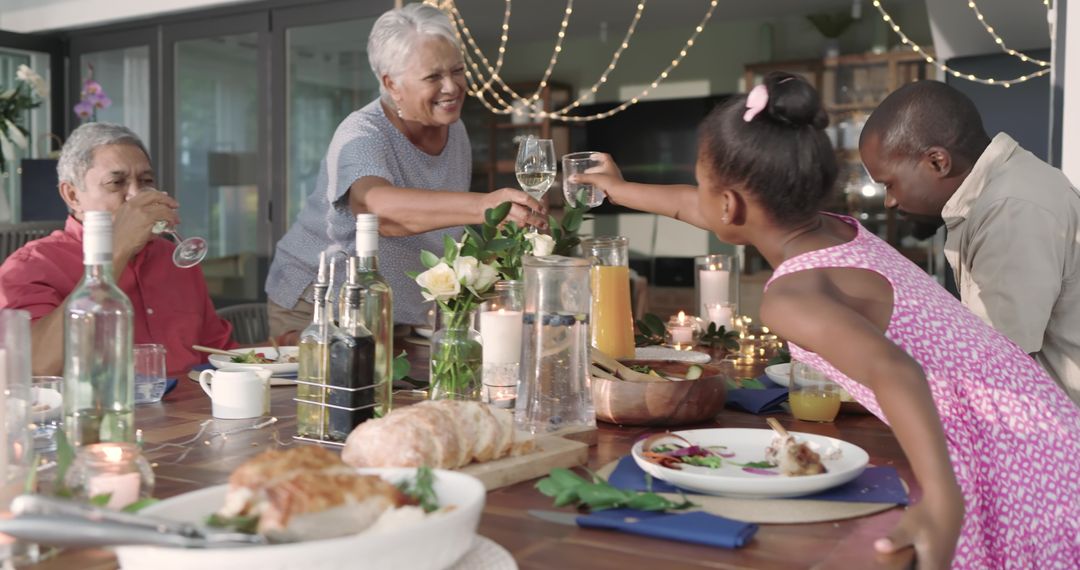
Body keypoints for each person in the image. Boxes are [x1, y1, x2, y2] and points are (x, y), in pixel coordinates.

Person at [572, 73, 1080, 568]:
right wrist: (619, 190)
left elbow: (896, 371)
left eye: (703, 185)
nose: (697, 198)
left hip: (1011, 460)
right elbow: (695, 207)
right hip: (1048, 435)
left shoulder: (793, 296)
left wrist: (942, 503)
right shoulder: (837, 230)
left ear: (730, 205)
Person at [265, 3, 546, 337]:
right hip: (321, 306)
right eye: (433, 77)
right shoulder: (362, 133)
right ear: (392, 84)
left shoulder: (455, 131)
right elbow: (375, 210)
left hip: (396, 310)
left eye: (457, 70)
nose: (452, 87)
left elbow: (439, 226)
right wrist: (483, 206)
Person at [859, 80, 1080, 406]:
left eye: (890, 184)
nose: (890, 201)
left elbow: (996, 364)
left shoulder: (1010, 208)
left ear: (937, 162)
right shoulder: (1004, 191)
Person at [0, 122, 237, 377]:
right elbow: (33, 368)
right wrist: (116, 249)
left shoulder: (172, 258)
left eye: (146, 181)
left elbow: (219, 353)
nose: (136, 195)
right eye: (116, 183)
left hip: (193, 413)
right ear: (72, 195)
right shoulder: (31, 266)